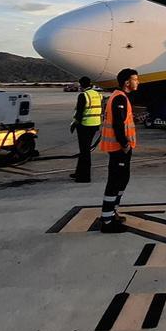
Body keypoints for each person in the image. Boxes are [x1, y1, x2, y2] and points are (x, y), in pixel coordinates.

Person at [99, 68, 140, 233]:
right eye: (135, 79)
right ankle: (107, 222)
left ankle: (112, 212)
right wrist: (124, 144)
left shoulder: (120, 97)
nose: (138, 82)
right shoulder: (119, 99)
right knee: (115, 182)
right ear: (127, 82)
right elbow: (117, 124)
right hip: (118, 148)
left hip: (120, 148)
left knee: (123, 179)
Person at [70, 76, 102, 183]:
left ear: (81, 85)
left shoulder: (83, 95)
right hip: (95, 125)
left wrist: (74, 124)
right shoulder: (98, 94)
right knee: (85, 150)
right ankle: (79, 172)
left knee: (84, 152)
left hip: (85, 126)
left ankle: (84, 177)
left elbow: (79, 113)